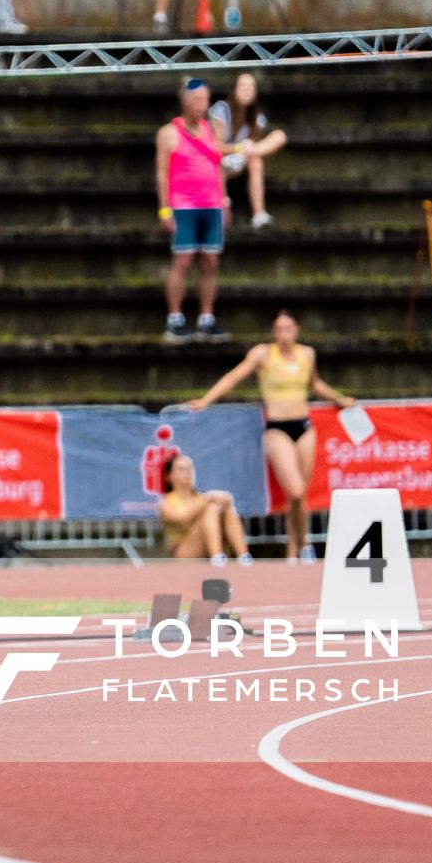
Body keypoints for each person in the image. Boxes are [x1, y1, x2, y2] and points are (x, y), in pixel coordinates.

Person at [185, 310, 355, 563]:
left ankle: (294, 549)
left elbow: (315, 384)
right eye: (279, 328)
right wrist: (206, 400)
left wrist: (340, 399)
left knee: (299, 496)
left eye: (288, 328)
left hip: (304, 426)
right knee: (295, 490)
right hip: (277, 428)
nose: (284, 333)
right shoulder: (263, 354)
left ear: (296, 329)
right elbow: (234, 377)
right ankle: (304, 543)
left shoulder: (307, 353)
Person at [156, 77, 230, 344]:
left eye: (205, 100)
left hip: (211, 204)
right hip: (183, 205)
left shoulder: (213, 129)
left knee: (210, 261)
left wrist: (224, 199)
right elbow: (162, 171)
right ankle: (175, 317)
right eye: (198, 99)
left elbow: (218, 162)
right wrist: (164, 209)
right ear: (185, 101)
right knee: (183, 260)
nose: (203, 105)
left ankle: (206, 317)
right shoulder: (169, 133)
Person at [211, 71, 286, 228]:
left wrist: (248, 150)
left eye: (252, 87)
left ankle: (259, 214)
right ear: (234, 89)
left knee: (273, 141)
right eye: (243, 86)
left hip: (243, 159)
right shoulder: (221, 110)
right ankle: (221, 208)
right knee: (224, 162)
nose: (247, 90)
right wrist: (238, 148)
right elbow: (215, 147)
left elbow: (254, 143)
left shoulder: (256, 117)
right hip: (221, 161)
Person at [159, 454, 252, 566]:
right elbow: (182, 517)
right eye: (181, 469)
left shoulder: (201, 498)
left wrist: (225, 500)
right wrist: (207, 501)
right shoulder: (166, 501)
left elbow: (211, 503)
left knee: (225, 506)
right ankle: (217, 556)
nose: (187, 472)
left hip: (207, 546)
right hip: (185, 552)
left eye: (189, 468)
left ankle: (243, 555)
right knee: (211, 508)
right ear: (170, 476)